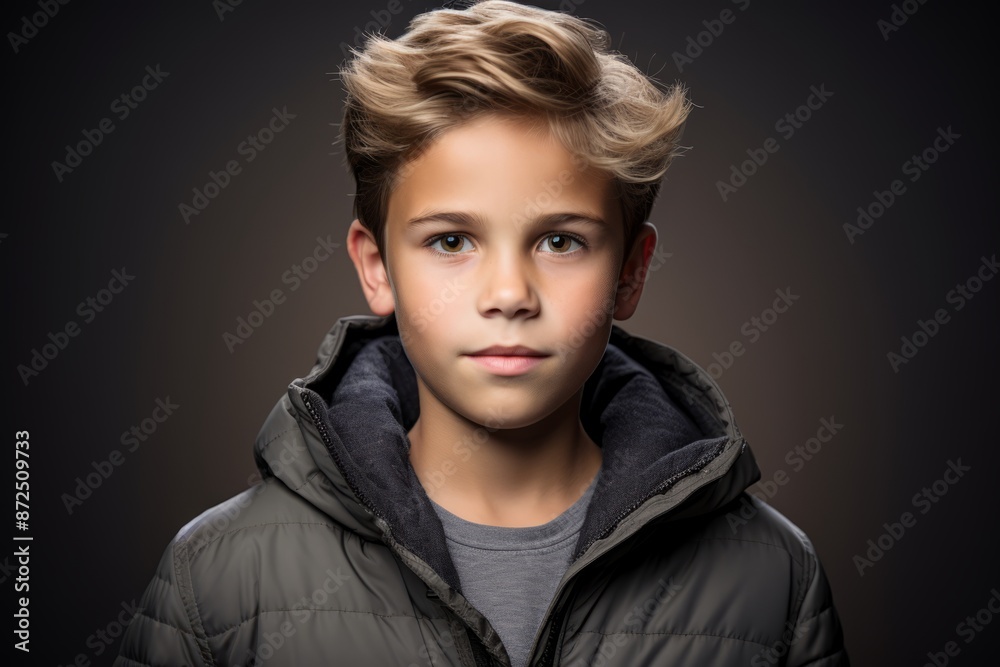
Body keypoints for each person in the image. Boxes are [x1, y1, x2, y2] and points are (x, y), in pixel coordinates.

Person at [116, 1, 848, 665]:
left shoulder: (772, 578)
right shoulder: (216, 579)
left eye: (560, 242)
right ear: (377, 268)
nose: (508, 295)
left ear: (630, 271)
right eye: (450, 241)